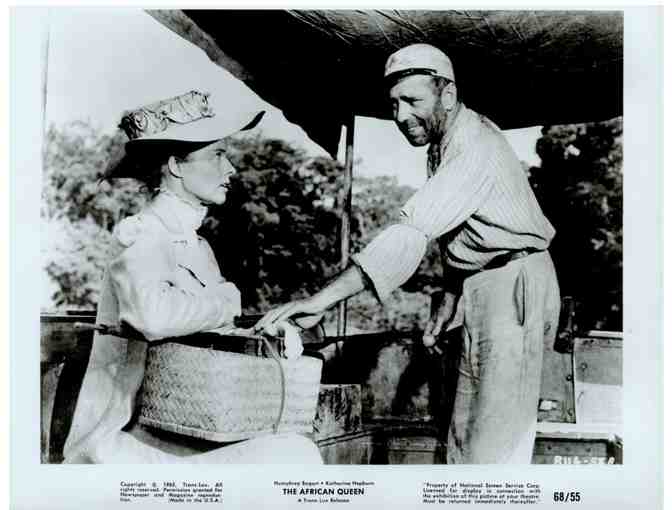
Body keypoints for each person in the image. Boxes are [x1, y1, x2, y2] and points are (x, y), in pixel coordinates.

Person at [256, 44, 561, 464]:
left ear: (447, 95)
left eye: (413, 101)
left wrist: (319, 301)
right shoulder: (445, 143)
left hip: (514, 284)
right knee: (462, 442)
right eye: (394, 104)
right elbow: (467, 233)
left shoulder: (475, 146)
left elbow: (411, 231)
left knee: (494, 450)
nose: (400, 116)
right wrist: (452, 295)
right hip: (483, 283)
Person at [63, 90, 322, 464]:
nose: (230, 168)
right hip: (124, 440)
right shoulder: (142, 233)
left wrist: (264, 329)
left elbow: (205, 330)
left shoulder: (197, 246)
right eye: (218, 154)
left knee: (296, 448)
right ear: (176, 166)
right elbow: (152, 318)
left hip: (183, 428)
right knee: (293, 456)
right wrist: (226, 303)